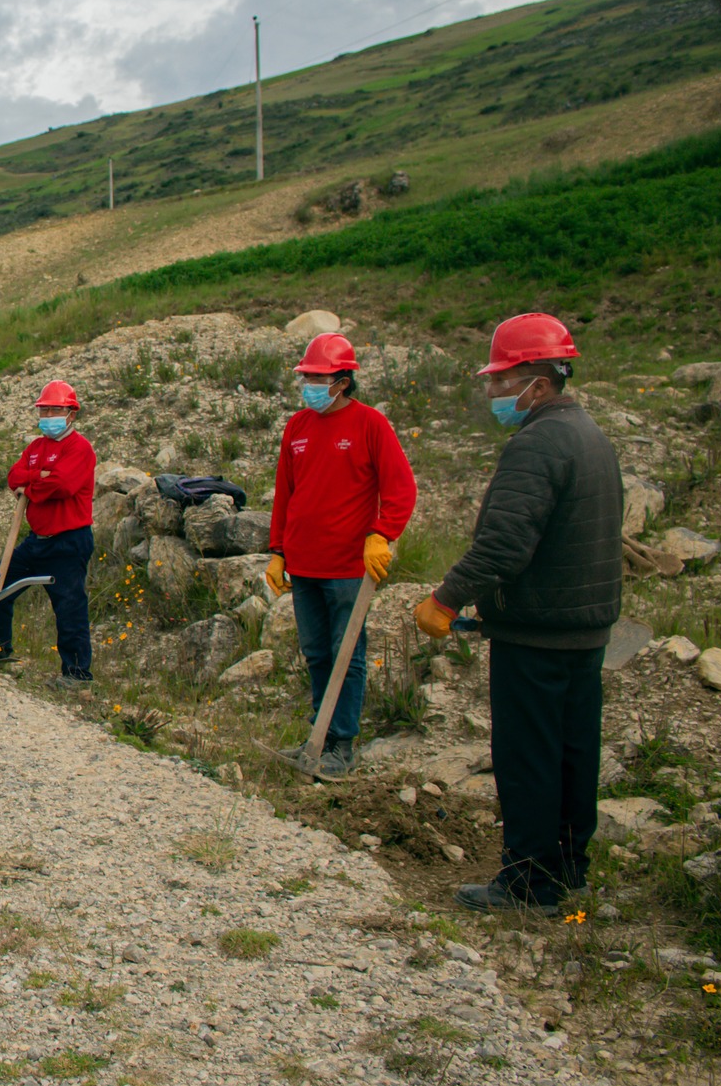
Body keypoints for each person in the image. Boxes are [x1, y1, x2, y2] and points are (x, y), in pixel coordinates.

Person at [415, 314, 621, 915]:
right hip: (585, 629)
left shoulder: (536, 444)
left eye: (500, 379)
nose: (492, 392)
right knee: (574, 751)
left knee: (528, 756)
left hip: (536, 631)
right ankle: (570, 869)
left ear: (535, 378)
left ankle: (529, 882)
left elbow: (505, 544)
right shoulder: (590, 436)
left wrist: (447, 597)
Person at [265, 332, 417, 779]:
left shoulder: (371, 424)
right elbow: (285, 495)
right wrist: (278, 552)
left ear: (343, 381)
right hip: (303, 564)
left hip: (348, 567)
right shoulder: (298, 427)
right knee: (316, 653)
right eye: (306, 377)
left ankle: (342, 744)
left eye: (318, 378)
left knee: (345, 653)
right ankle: (319, 735)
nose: (309, 385)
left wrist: (382, 534)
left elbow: (401, 489)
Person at [0, 381, 97, 689]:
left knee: (69, 606)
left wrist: (31, 487)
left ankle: (76, 675)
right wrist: (40, 477)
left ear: (71, 413)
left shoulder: (80, 448)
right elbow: (13, 477)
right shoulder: (36, 448)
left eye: (55, 409)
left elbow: (63, 485)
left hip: (69, 540)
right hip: (38, 539)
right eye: (44, 409)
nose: (48, 414)